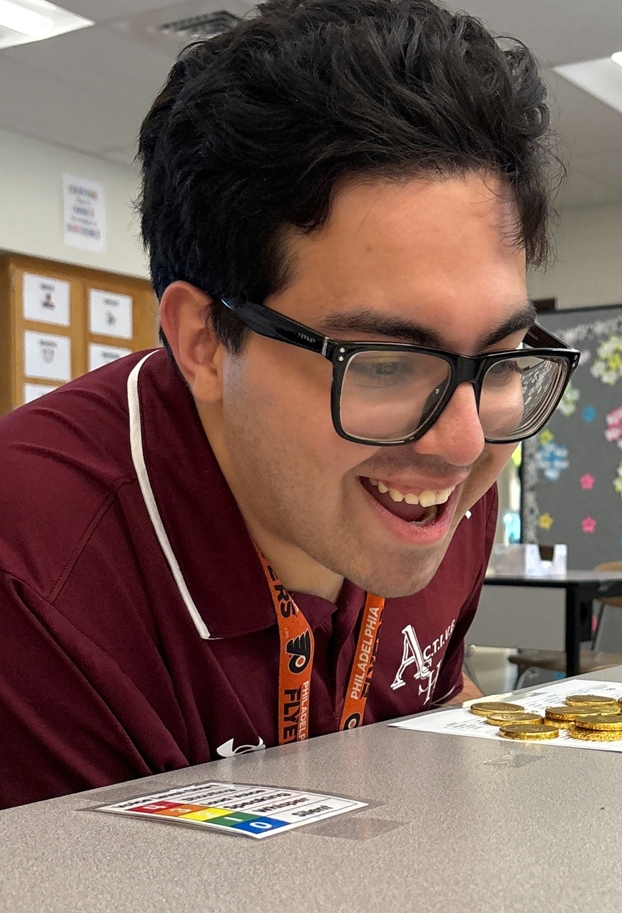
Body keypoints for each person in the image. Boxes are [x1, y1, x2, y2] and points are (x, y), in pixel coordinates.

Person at [0, 0, 577, 809]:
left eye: (501, 358)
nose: (461, 443)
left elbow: (435, 710)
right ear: (203, 339)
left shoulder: (452, 470)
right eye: (385, 365)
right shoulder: (34, 571)